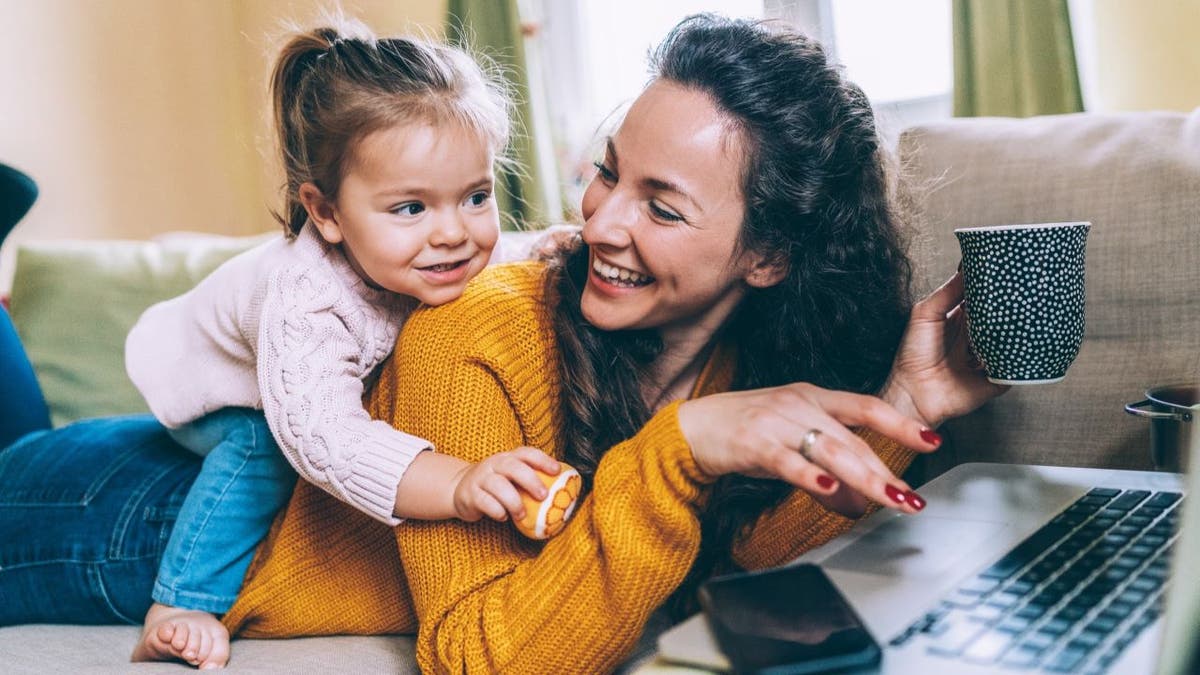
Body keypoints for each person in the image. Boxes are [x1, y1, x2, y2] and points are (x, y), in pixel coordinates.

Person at [0, 14, 1004, 672]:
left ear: (769, 257)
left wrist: (902, 413)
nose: (604, 220)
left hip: (149, 483)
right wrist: (677, 452)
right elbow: (477, 655)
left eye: (661, 205)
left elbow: (744, 560)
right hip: (122, 520)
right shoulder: (479, 323)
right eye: (609, 174)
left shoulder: (732, 361)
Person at [6, 19, 564, 671]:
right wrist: (458, 480)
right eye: (411, 208)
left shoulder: (442, 252)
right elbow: (325, 439)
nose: (455, 233)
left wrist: (560, 246)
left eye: (475, 196)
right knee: (262, 447)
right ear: (325, 212)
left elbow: (510, 253)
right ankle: (182, 598)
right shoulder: (309, 300)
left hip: (270, 376)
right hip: (211, 386)